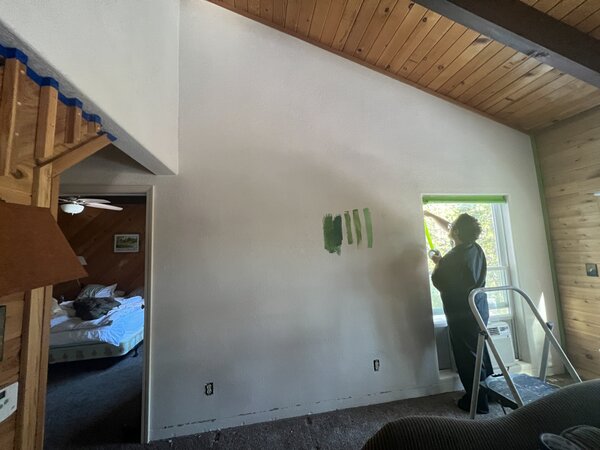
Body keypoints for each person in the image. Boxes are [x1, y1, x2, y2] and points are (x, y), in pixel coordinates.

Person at [425, 210, 494, 413]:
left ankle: (477, 403)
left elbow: (441, 281)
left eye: (453, 226)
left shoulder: (454, 257)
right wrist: (429, 214)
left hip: (462, 314)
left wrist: (438, 263)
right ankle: (491, 394)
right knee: (481, 352)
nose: (450, 226)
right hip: (480, 309)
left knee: (468, 357)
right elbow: (450, 227)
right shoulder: (475, 247)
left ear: (456, 232)